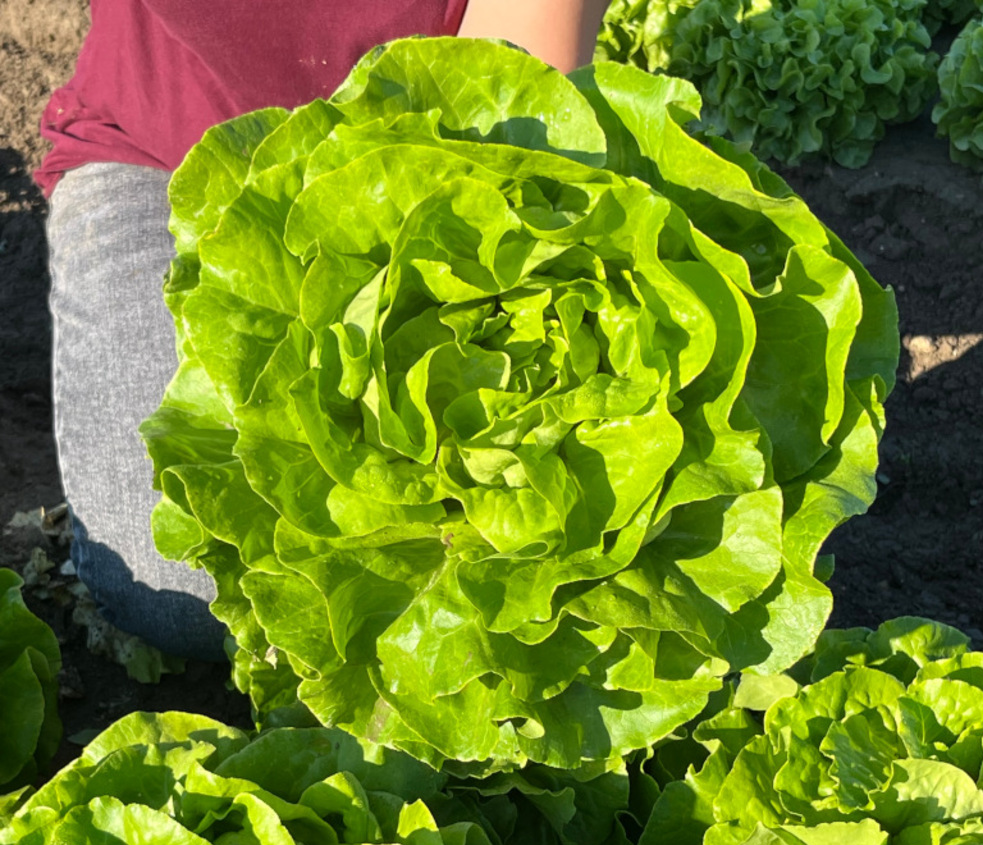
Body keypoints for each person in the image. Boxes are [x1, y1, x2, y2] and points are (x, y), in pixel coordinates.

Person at [38, 0, 611, 663]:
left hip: (420, 178)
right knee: (183, 592)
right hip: (169, 149)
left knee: (496, 585)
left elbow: (506, 104)